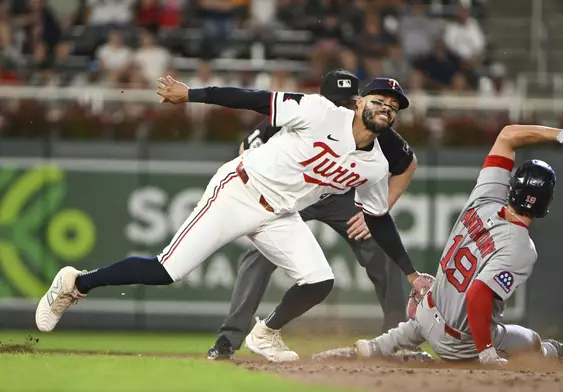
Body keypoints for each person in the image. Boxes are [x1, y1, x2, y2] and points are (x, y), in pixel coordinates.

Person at [35, 74, 434, 363]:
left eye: (394, 107)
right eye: (379, 101)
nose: (386, 109)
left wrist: (412, 274)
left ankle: (266, 334)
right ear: (360, 102)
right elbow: (255, 99)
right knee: (165, 271)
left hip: (280, 214)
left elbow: (379, 219)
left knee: (319, 281)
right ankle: (75, 283)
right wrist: (191, 94)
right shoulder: (320, 111)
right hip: (240, 190)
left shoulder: (377, 165)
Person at [314, 124, 563, 366]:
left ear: (512, 185)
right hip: (460, 342)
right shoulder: (521, 247)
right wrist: (486, 350)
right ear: (546, 204)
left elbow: (507, 135)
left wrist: (562, 134)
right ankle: (557, 353)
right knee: (532, 342)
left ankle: (374, 350)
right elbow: (478, 294)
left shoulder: (486, 198)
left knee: (389, 341)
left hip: (426, 311)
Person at [207, 70, 416, 360]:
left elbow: (408, 163)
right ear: (321, 100)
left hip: (342, 194)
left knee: (382, 248)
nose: (340, 108)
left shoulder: (378, 131)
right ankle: (229, 339)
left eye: (347, 102)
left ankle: (397, 340)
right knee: (259, 255)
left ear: (357, 103)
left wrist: (379, 209)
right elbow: (246, 149)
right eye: (335, 102)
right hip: (293, 194)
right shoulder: (302, 113)